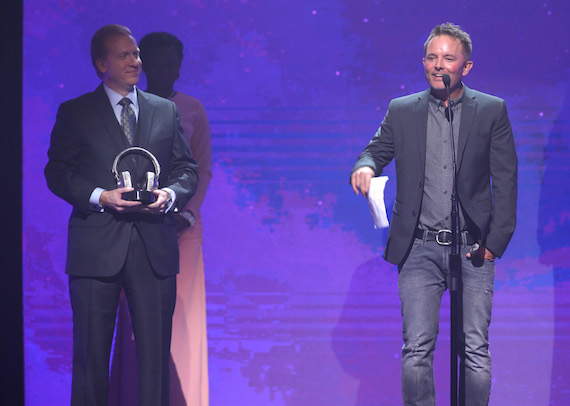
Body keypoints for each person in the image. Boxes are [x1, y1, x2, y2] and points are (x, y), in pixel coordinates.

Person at [350, 23, 517, 406]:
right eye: (431, 57)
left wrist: (494, 244)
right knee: (416, 350)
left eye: (448, 58)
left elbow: (506, 181)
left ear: (466, 67)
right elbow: (374, 150)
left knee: (474, 350)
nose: (438, 66)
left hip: (473, 249)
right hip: (419, 249)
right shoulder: (403, 110)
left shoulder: (491, 111)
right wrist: (364, 167)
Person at [44, 24, 198, 406]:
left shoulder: (165, 110)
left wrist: (170, 195)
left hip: (153, 248)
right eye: (125, 55)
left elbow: (187, 170)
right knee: (91, 359)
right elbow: (57, 172)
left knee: (153, 362)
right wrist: (101, 196)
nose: (136, 61)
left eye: (136, 54)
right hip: (96, 246)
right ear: (101, 64)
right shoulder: (76, 111)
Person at [109, 32, 212, 406]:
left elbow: (201, 168)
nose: (166, 68)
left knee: (182, 320)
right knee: (136, 318)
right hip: (135, 224)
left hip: (182, 229)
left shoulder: (191, 108)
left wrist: (185, 211)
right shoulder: (128, 106)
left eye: (173, 61)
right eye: (157, 60)